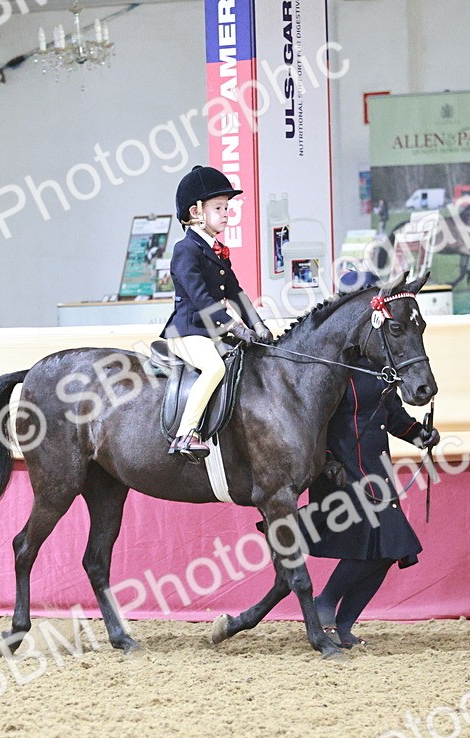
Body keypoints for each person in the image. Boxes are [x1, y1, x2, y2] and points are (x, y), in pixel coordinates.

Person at [289, 272, 439, 647]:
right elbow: (312, 421)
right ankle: (324, 602)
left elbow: (391, 412)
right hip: (341, 472)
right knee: (390, 543)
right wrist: (325, 461)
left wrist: (419, 434)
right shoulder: (330, 366)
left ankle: (342, 623)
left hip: (375, 470)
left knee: (389, 551)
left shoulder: (379, 361)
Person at [161, 166, 274, 459]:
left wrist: (257, 325)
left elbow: (236, 292)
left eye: (227, 207)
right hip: (188, 330)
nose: (226, 213)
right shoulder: (185, 249)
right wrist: (234, 327)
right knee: (215, 368)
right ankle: (185, 434)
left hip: (211, 330)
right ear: (196, 211)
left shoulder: (215, 250)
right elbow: (199, 297)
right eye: (219, 207)